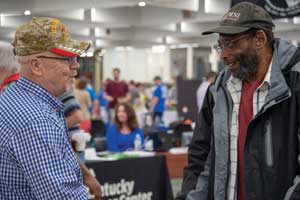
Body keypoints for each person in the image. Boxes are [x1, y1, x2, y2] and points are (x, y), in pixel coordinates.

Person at [177, 2, 300, 200]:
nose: (223, 55)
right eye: (220, 45)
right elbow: (200, 158)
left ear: (259, 39)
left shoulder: (295, 83)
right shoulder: (218, 90)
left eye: (230, 44)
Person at [0, 17, 94, 199]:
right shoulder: (36, 120)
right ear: (36, 66)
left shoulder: (13, 99)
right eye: (67, 59)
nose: (76, 65)